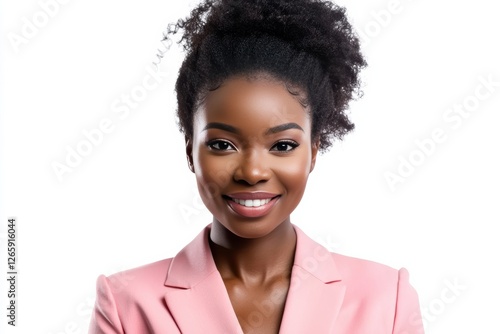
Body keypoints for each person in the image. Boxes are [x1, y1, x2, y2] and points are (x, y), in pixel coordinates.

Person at [89, 0, 424, 333]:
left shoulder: (386, 300)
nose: (251, 172)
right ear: (191, 152)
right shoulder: (125, 304)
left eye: (282, 146)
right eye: (222, 145)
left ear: (314, 151)